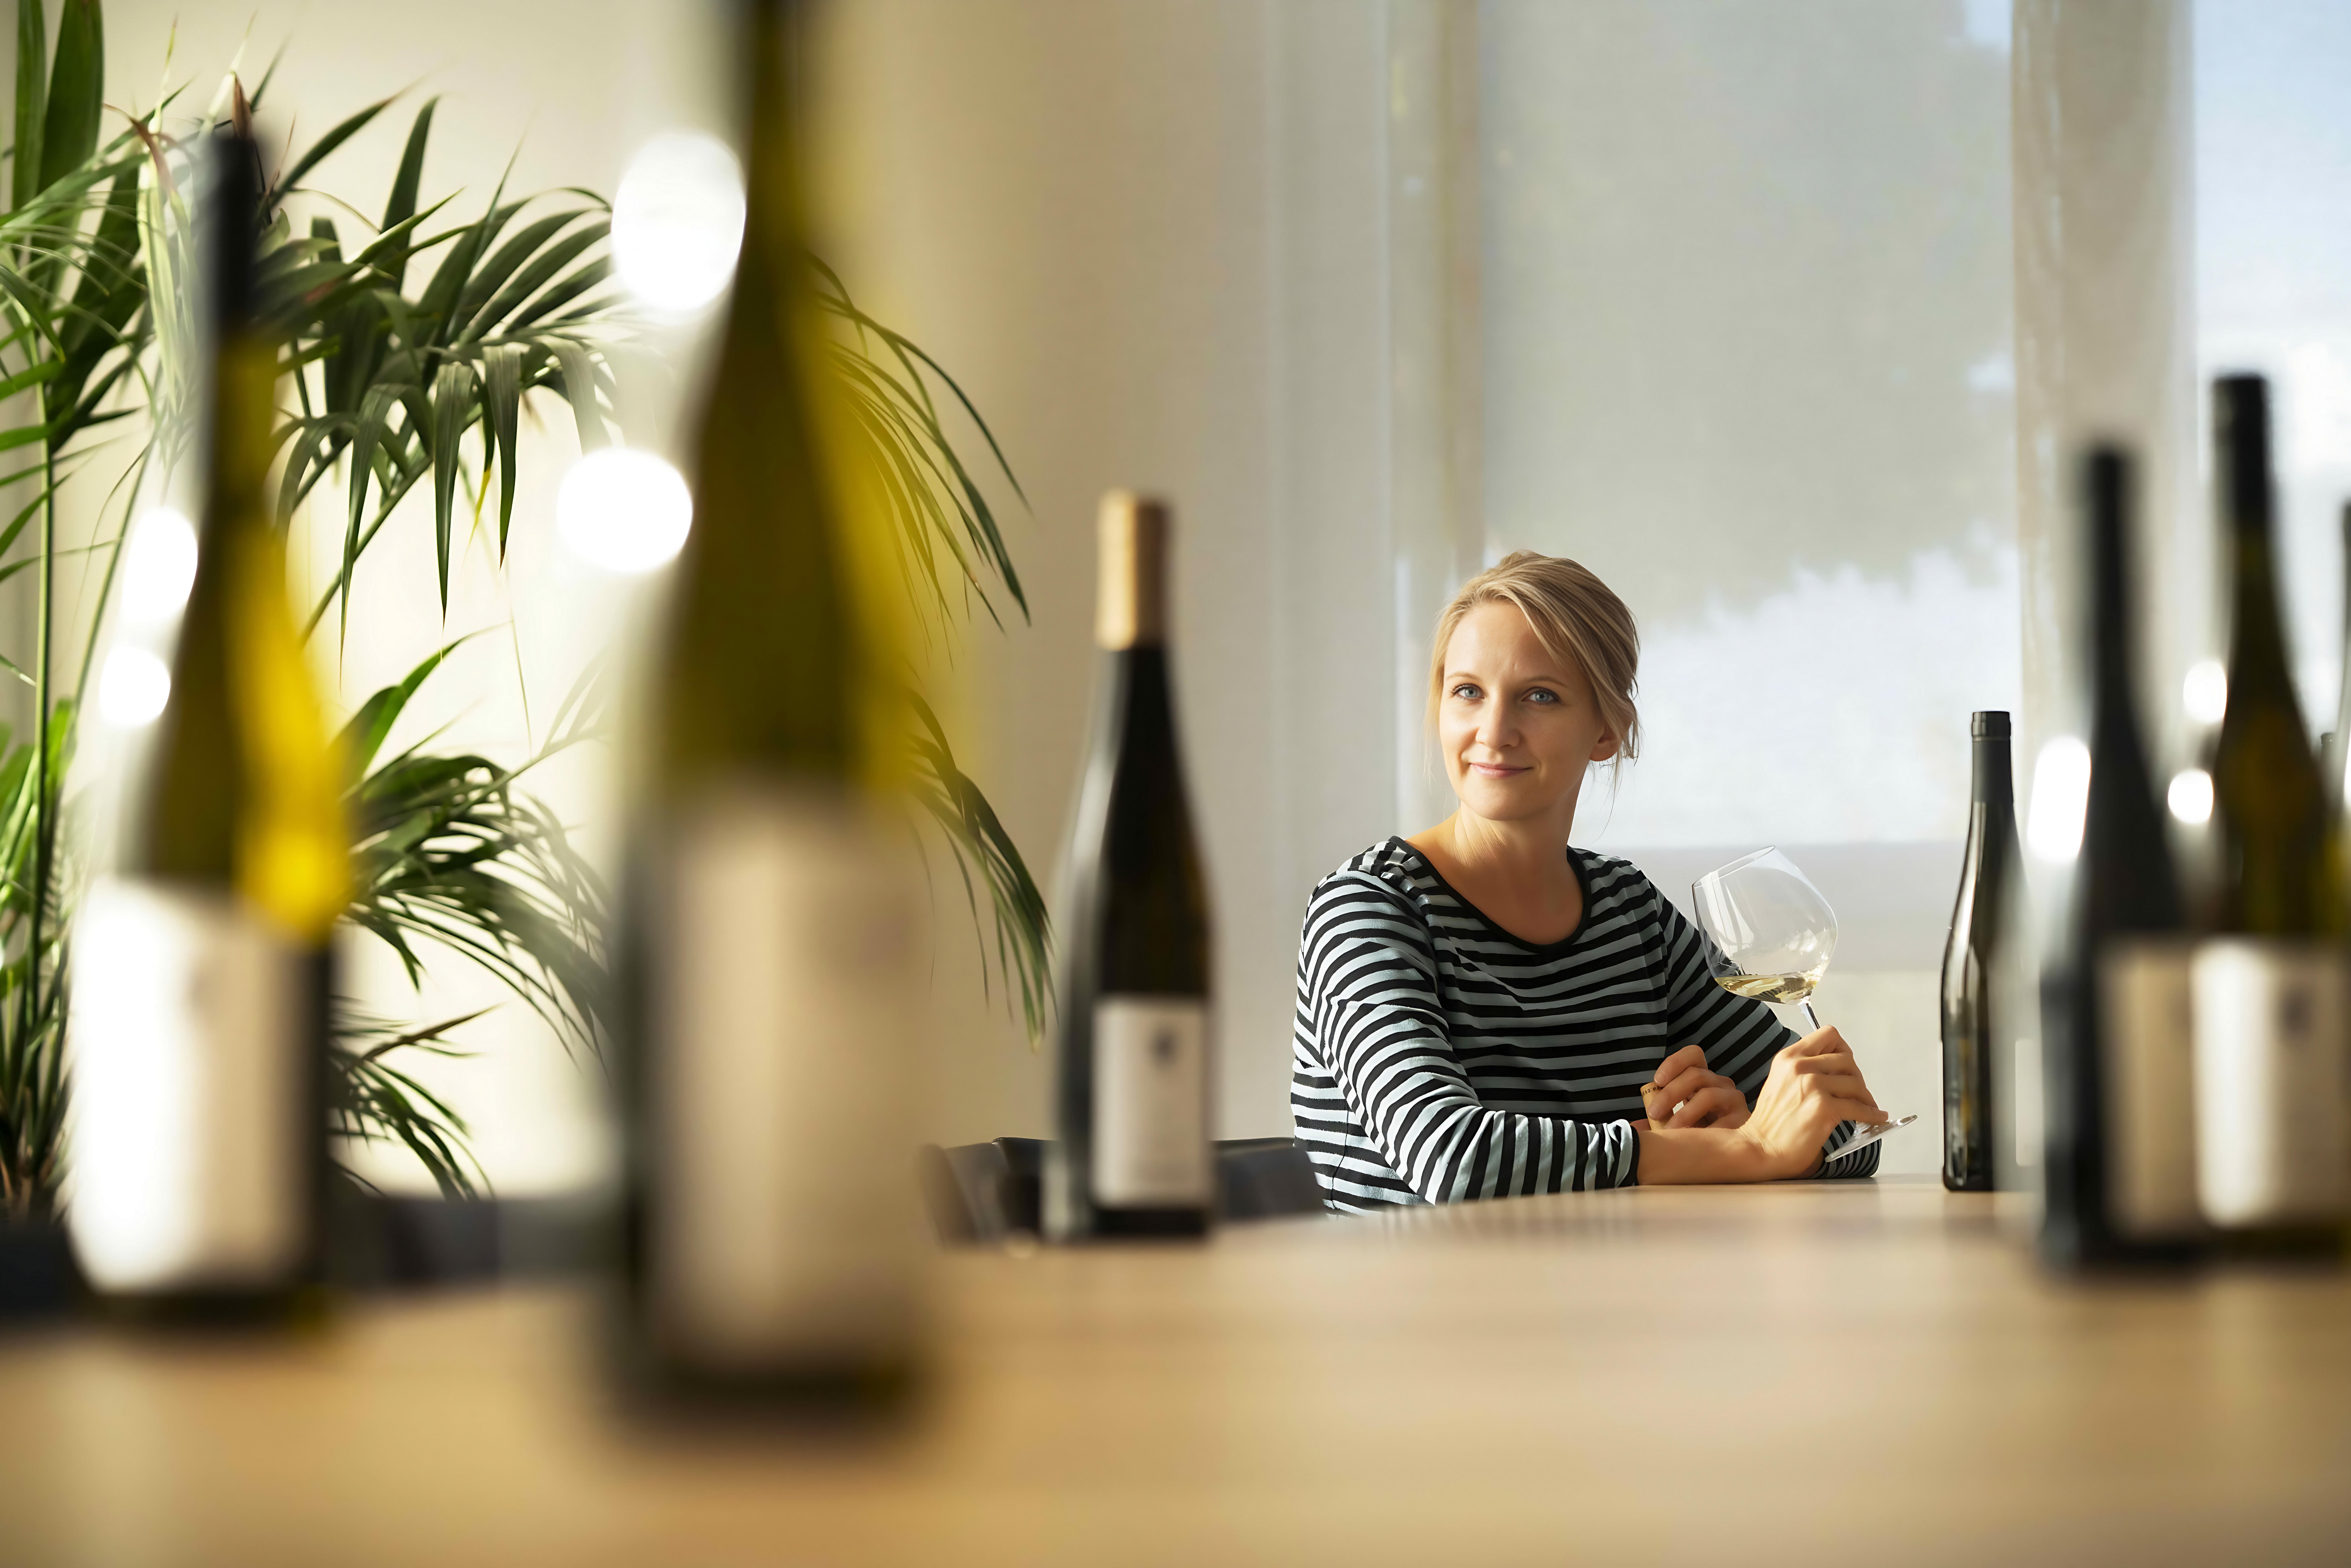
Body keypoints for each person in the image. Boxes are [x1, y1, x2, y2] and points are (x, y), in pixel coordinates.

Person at [1292, 551, 1891, 1211]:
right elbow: (1453, 1159)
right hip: (1422, 1309)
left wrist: (1736, 1128)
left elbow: (1851, 1132)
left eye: (1538, 696)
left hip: (1608, 1299)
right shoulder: (1369, 908)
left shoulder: (1628, 913)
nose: (1493, 731)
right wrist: (1740, 1151)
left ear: (1606, 730)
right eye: (1468, 692)